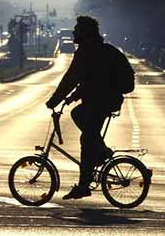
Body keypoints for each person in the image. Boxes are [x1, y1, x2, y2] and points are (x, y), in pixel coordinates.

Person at [45, 15, 134, 199]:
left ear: (84, 33)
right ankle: (101, 151)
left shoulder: (87, 51)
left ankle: (84, 185)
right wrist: (72, 98)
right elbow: (90, 80)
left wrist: (55, 99)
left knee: (87, 140)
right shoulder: (98, 50)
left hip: (102, 102)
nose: (73, 32)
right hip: (101, 100)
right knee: (78, 114)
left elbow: (72, 78)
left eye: (77, 29)